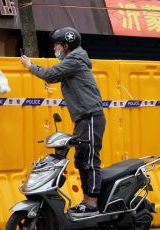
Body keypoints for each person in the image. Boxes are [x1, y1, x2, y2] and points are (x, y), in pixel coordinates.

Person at [21, 27, 106, 218]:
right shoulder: (74, 59)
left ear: (66, 46)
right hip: (84, 118)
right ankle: (86, 201)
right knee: (82, 159)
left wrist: (29, 65)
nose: (54, 48)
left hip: (90, 116)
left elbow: (50, 75)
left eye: (57, 45)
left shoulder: (74, 60)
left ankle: (92, 204)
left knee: (90, 159)